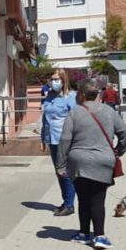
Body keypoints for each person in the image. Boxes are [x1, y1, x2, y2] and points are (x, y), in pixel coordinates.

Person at [55, 79, 126, 249]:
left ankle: (83, 234)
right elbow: (125, 131)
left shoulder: (74, 113)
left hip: (78, 162)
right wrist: (119, 150)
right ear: (97, 94)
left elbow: (65, 139)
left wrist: (60, 164)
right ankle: (100, 237)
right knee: (98, 200)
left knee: (83, 199)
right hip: (104, 161)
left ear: (81, 95)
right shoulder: (109, 111)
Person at [39, 69, 78, 216]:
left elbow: (77, 118)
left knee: (65, 172)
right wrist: (43, 138)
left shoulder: (71, 97)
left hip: (65, 139)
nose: (53, 82)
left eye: (56, 79)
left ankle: (69, 205)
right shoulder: (49, 96)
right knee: (58, 172)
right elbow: (45, 119)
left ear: (63, 80)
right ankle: (65, 201)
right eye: (51, 79)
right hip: (52, 139)